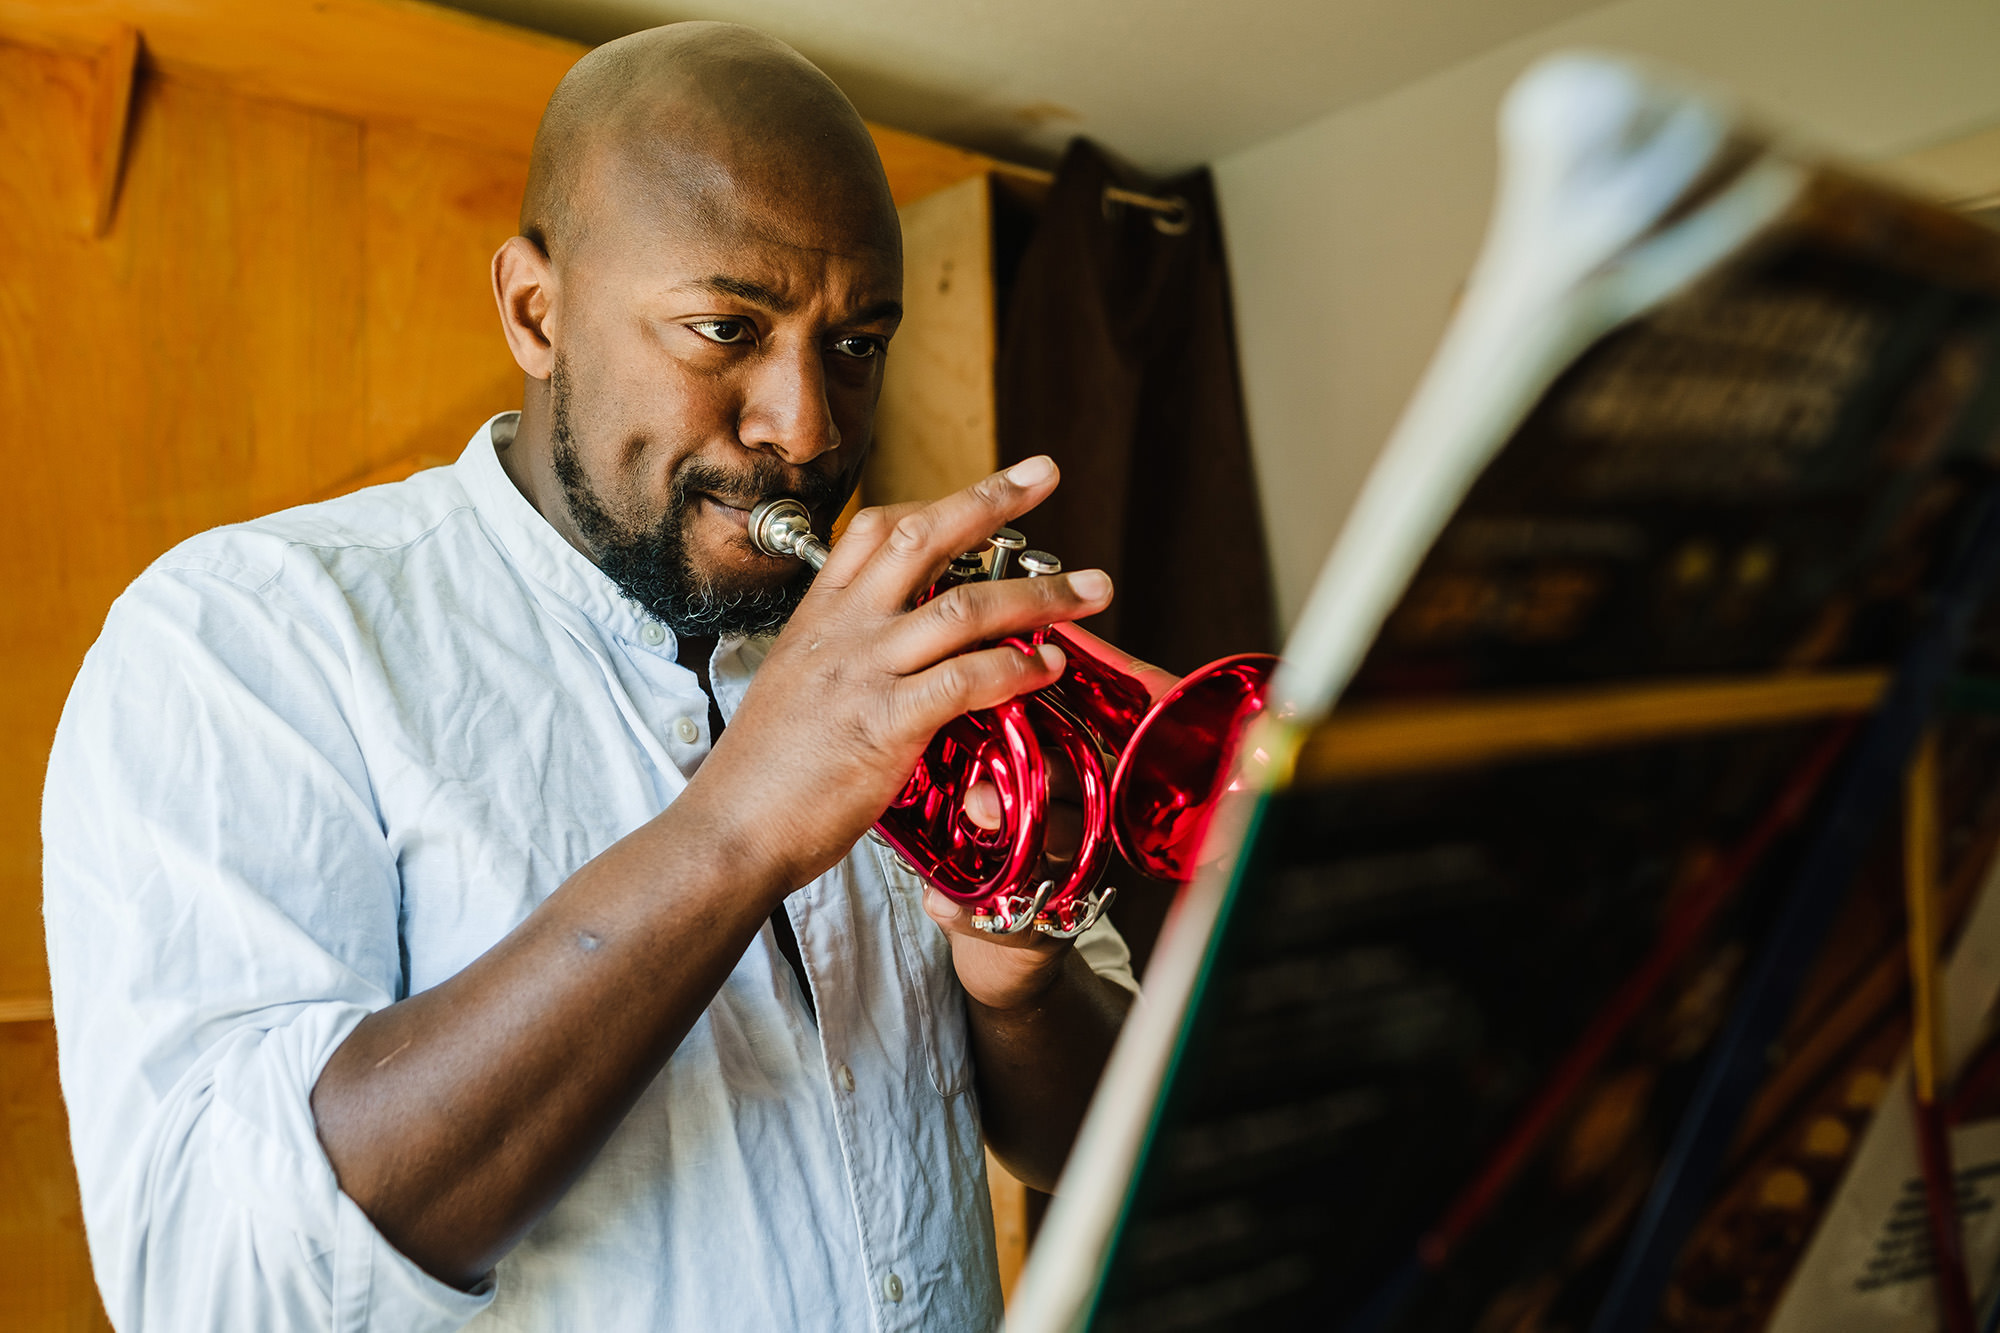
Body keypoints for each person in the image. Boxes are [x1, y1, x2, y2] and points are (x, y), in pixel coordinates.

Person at [42, 22, 1137, 1332]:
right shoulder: (243, 638)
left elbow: (1100, 1150)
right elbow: (224, 1281)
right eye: (726, 327)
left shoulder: (891, 642)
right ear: (533, 308)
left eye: (855, 344)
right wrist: (738, 826)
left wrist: (1021, 984)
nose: (810, 427)